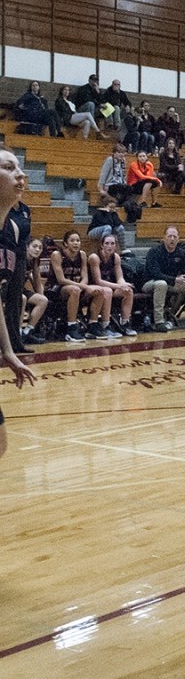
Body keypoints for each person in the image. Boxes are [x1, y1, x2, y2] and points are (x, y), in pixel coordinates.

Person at [0, 149, 38, 457]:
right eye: (9, 168)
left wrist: (9, 351)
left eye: (20, 168)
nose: (20, 174)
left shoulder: (11, 230)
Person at [48, 229, 115, 341]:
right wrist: (84, 287)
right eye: (72, 240)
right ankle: (71, 327)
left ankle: (92, 325)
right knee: (75, 290)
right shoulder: (57, 254)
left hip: (77, 288)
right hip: (55, 289)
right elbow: (61, 280)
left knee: (100, 290)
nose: (76, 243)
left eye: (78, 240)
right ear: (65, 243)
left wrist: (84, 287)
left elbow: (85, 278)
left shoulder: (82, 255)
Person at [142, 226, 185, 332]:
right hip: (150, 282)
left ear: (178, 239)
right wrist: (175, 280)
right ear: (164, 238)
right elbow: (156, 274)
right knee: (161, 284)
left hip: (171, 282)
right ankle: (159, 322)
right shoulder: (154, 251)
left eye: (174, 236)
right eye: (169, 236)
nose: (172, 239)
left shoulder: (180, 252)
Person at [88, 234, 137, 336]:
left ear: (115, 245)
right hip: (93, 289)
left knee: (128, 291)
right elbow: (98, 281)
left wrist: (124, 284)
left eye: (112, 243)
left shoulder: (116, 257)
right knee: (108, 291)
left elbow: (119, 278)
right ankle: (105, 325)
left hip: (109, 286)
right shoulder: (95, 257)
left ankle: (125, 323)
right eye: (107, 243)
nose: (110, 246)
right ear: (102, 245)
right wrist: (119, 286)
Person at [1, 198, 31, 356]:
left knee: (15, 299)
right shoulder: (2, 205)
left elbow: (26, 235)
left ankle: (15, 343)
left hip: (19, 257)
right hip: (2, 254)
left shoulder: (25, 209)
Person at [21, 237, 50, 345]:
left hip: (21, 290)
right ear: (27, 247)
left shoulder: (34, 261)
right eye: (34, 246)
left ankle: (26, 332)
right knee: (22, 299)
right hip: (10, 290)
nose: (37, 249)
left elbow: (37, 284)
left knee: (43, 300)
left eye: (40, 247)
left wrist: (41, 295)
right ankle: (17, 334)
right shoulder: (20, 259)